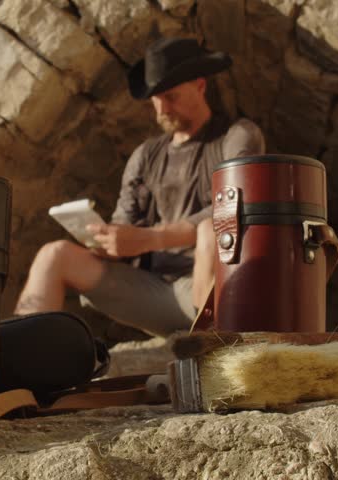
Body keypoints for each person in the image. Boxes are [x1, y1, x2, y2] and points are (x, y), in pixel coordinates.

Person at [14, 37, 265, 336]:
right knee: (53, 254)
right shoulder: (145, 155)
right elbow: (125, 221)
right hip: (153, 292)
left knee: (210, 230)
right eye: (155, 99)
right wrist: (109, 241)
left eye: (171, 96)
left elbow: (236, 209)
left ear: (200, 86)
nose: (162, 109)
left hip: (218, 291)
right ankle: (24, 352)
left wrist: (150, 239)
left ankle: (209, 347)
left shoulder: (237, 136)